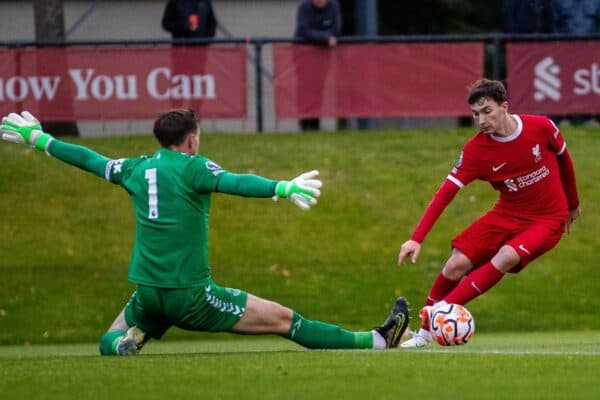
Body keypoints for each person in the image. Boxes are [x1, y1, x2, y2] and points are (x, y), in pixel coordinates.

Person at [0, 109, 409, 355]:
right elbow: (233, 181)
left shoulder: (135, 168)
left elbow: (89, 159)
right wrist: (281, 188)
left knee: (111, 337)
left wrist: (38, 138)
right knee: (285, 319)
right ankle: (376, 340)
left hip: (147, 291)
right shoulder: (194, 167)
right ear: (191, 139)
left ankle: (125, 346)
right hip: (190, 295)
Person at [397, 79, 580, 348]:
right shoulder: (476, 150)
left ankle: (438, 313)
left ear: (504, 107)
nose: (481, 120)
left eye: (487, 111)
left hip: (548, 218)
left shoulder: (541, 127)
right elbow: (445, 194)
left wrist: (573, 203)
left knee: (506, 255)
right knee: (456, 263)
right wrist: (417, 238)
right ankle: (424, 335)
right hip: (508, 212)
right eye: (475, 114)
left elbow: (565, 159)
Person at [294, 0, 342, 132]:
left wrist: (324, 38)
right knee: (304, 89)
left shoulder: (334, 6)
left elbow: (336, 30)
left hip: (323, 57)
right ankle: (304, 124)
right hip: (303, 56)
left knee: (319, 88)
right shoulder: (304, 7)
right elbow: (303, 30)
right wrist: (325, 38)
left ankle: (315, 124)